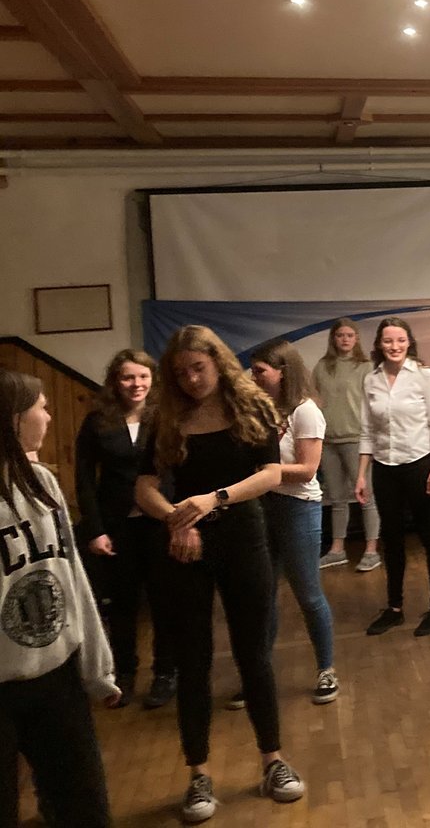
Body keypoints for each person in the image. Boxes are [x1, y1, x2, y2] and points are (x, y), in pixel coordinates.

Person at [135, 325, 304, 823]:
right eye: (182, 372)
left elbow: (270, 474)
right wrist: (177, 519)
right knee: (194, 660)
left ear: (218, 362)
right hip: (186, 544)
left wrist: (214, 499)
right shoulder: (165, 417)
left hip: (243, 537)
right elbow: (144, 486)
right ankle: (198, 774)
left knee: (254, 655)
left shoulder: (251, 406)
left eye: (199, 368)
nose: (191, 379)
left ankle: (272, 760)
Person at [0, 369, 118, 828]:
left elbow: (72, 579)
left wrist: (96, 666)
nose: (49, 417)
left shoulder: (42, 483)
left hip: (56, 676)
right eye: (42, 408)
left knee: (85, 808)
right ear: (14, 418)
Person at [73, 347, 176, 709]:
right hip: (116, 526)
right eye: (128, 377)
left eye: (143, 376)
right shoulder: (97, 421)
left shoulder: (166, 416)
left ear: (153, 379)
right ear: (115, 381)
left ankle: (165, 673)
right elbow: (85, 480)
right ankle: (125, 674)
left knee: (165, 601)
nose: (136, 384)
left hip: (160, 521)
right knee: (122, 605)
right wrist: (95, 530)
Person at [249, 338, 337, 706]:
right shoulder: (259, 411)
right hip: (262, 506)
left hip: (298, 508)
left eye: (260, 371)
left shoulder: (305, 411)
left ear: (282, 372)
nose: (253, 377)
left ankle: (326, 669)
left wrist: (263, 471)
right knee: (262, 595)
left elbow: (307, 470)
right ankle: (258, 676)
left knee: (308, 594)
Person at [357, 317, 430, 638]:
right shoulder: (371, 380)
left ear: (409, 342)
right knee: (391, 538)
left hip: (419, 464)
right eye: (388, 341)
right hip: (385, 468)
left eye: (400, 340)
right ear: (379, 345)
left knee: (429, 535)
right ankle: (394, 608)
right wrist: (361, 474)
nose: (394, 346)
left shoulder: (424, 376)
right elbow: (367, 431)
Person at [313, 319, 380, 573]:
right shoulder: (322, 366)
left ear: (356, 339)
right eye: (340, 335)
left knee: (366, 497)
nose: (345, 339)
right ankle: (337, 550)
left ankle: (371, 550)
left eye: (350, 335)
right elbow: (314, 400)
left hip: (356, 440)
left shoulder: (365, 366)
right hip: (328, 441)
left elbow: (373, 405)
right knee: (336, 498)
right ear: (334, 338)